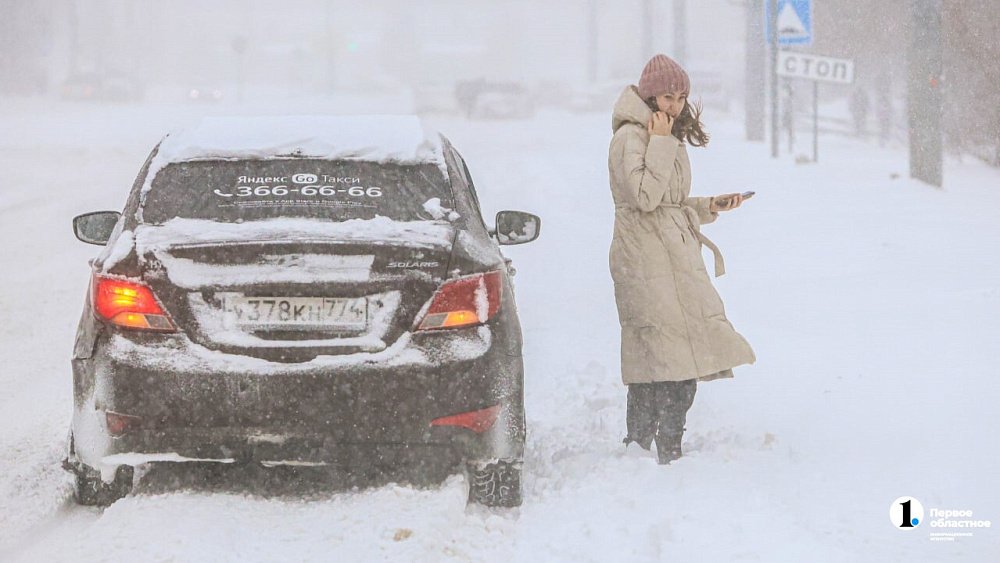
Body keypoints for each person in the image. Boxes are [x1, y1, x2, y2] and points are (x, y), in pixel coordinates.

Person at [608, 54, 756, 465]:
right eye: (667, 96)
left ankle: (658, 447)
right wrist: (660, 142)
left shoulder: (662, 134)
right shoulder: (632, 137)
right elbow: (643, 198)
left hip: (671, 257)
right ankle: (647, 447)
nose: (674, 105)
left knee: (674, 355)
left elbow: (667, 203)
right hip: (645, 261)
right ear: (650, 94)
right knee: (661, 358)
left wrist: (710, 205)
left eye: (680, 97)